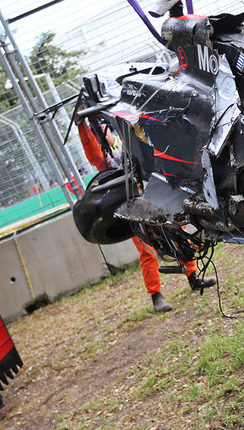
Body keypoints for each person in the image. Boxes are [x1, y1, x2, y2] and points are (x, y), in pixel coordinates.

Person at [77, 120, 215, 313]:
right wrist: (82, 126)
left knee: (177, 235)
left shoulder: (129, 145)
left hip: (153, 197)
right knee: (147, 250)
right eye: (98, 130)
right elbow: (91, 150)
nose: (102, 130)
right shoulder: (106, 159)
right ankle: (156, 296)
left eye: (103, 127)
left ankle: (193, 277)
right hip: (133, 209)